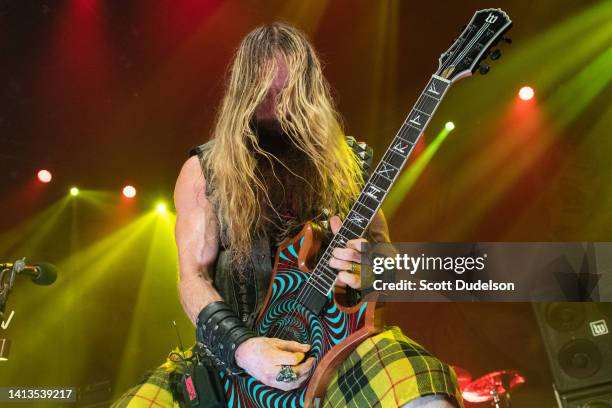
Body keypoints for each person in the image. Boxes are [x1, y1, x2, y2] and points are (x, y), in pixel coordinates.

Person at [113, 23, 462, 408]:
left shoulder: (349, 161)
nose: (278, 101)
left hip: (334, 350)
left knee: (426, 398)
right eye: (265, 91)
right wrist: (243, 348)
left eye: (289, 89)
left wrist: (373, 268)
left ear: (310, 86)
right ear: (244, 90)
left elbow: (387, 262)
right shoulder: (205, 169)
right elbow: (191, 278)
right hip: (227, 362)